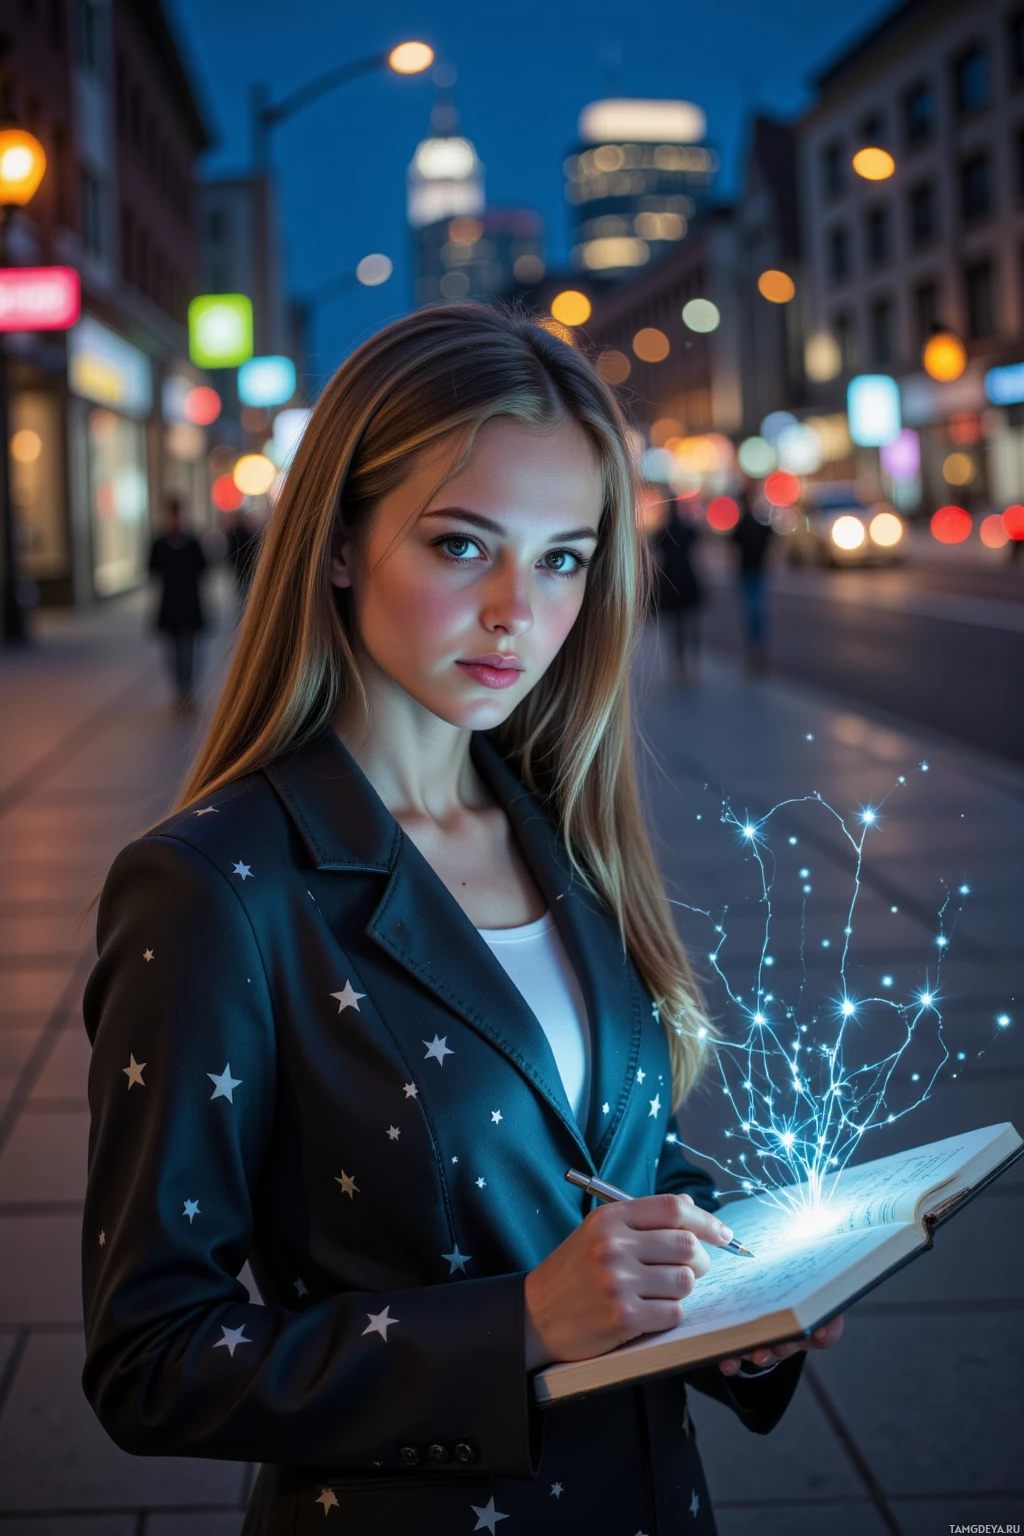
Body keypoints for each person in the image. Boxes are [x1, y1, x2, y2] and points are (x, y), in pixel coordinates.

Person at [82, 305, 842, 1536]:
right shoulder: (219, 885)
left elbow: (599, 1165)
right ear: (336, 545)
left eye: (562, 558)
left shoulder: (561, 827)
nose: (517, 613)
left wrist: (736, 1289)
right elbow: (149, 1358)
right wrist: (523, 1325)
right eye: (458, 545)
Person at [147, 495, 208, 714]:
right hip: (170, 607)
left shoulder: (193, 542)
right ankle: (180, 691)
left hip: (190, 606)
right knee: (173, 653)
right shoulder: (159, 544)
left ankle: (188, 691)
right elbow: (152, 570)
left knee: (190, 651)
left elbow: (204, 568)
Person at [651, 491, 705, 684]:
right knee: (691, 624)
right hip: (688, 578)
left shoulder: (662, 531)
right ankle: (694, 665)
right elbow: (697, 555)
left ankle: (679, 666)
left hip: (670, 580)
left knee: (674, 626)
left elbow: (655, 558)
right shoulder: (689, 530)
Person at [731, 480, 773, 676]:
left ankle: (754, 651)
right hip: (756, 571)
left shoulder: (742, 525)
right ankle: (757, 649)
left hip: (747, 572)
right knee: (757, 612)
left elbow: (733, 550)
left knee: (752, 612)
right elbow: (772, 542)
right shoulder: (758, 523)